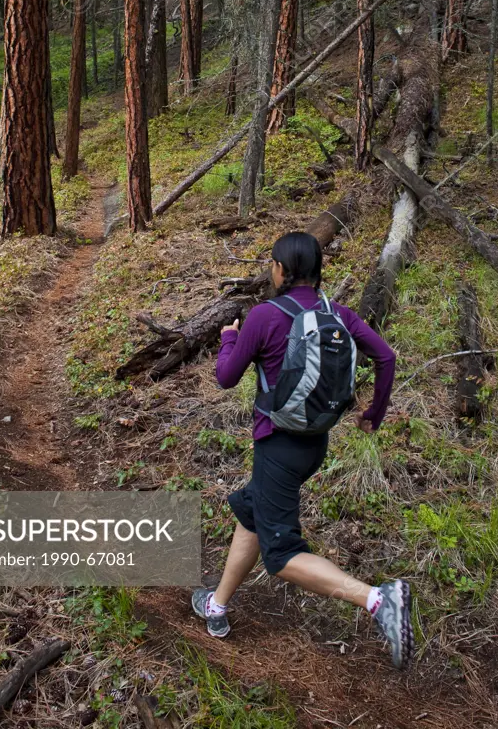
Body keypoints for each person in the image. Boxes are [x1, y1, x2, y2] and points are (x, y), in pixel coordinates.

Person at [191, 231, 414, 670]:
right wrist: (375, 412)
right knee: (253, 511)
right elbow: (385, 358)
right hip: (314, 444)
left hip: (277, 446)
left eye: (271, 265)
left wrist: (229, 339)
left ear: (279, 269)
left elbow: (225, 377)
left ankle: (376, 600)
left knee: (281, 554)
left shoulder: (264, 316)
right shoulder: (340, 314)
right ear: (317, 271)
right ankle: (216, 604)